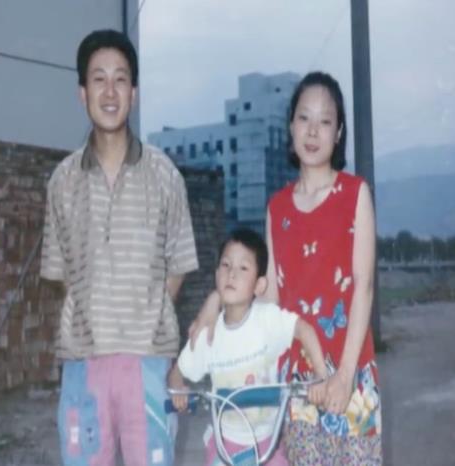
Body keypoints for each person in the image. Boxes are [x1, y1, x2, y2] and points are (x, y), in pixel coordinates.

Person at [190, 71, 382, 464]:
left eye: (324, 121)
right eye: (303, 118)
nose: (312, 131)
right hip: (298, 384)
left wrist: (345, 376)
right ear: (291, 126)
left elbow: (363, 286)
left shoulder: (354, 194)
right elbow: (268, 296)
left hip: (351, 376)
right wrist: (215, 305)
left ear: (338, 132)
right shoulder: (277, 208)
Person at [40, 29, 198, 466]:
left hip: (148, 364)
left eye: (120, 80)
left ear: (135, 93)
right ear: (82, 93)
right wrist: (96, 320)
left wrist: (144, 318)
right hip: (83, 364)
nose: (110, 92)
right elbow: (60, 273)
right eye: (99, 80)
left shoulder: (165, 176)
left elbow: (178, 265)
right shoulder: (62, 182)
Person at [168, 228, 328, 466]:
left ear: (259, 285)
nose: (232, 274)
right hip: (225, 445)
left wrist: (321, 376)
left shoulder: (267, 320)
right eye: (226, 265)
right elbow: (177, 374)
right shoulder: (208, 335)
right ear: (216, 275)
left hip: (267, 443)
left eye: (243, 268)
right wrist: (178, 391)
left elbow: (304, 330)